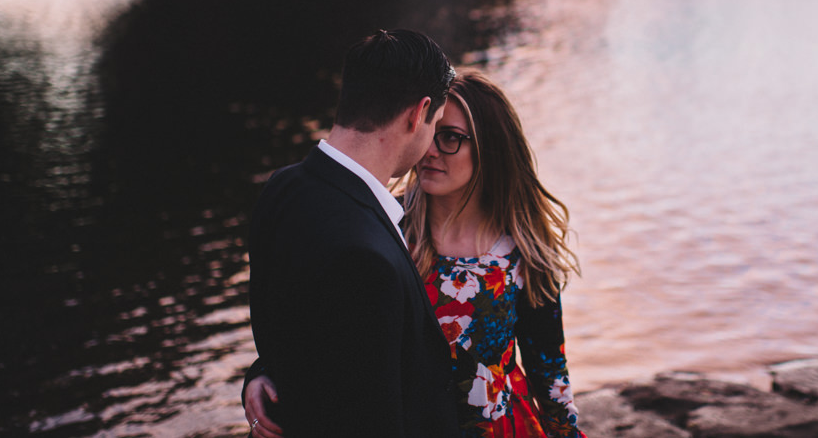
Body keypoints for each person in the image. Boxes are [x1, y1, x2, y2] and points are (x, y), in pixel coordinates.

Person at [245, 69, 587, 438]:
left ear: (490, 148)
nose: (431, 151)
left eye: (451, 138)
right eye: (430, 132)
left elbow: (549, 373)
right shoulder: (380, 228)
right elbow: (313, 327)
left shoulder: (523, 251)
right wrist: (262, 373)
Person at [244, 29, 460, 438]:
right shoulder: (367, 259)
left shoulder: (281, 189)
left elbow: (288, 330)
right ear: (418, 114)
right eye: (436, 124)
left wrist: (260, 378)